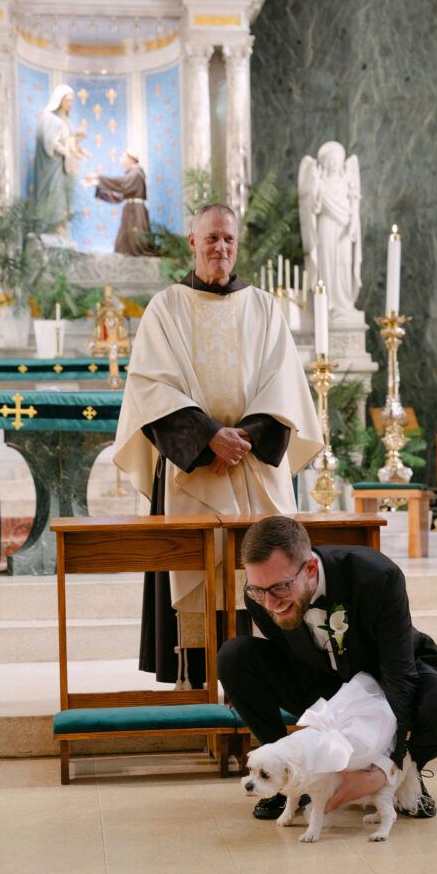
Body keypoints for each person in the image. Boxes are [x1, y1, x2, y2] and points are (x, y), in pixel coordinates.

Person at [112, 204, 323, 687]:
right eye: (211, 239)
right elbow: (151, 389)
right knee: (198, 580)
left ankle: (272, 690)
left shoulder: (265, 307)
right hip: (194, 474)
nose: (221, 248)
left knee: (268, 572)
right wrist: (209, 437)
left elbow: (283, 384)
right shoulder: (166, 307)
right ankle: (201, 692)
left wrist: (242, 438)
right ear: (192, 241)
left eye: (228, 239)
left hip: (254, 468)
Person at [217, 514, 437, 819]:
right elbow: (289, 653)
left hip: (387, 674)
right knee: (234, 656)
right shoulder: (262, 594)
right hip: (324, 679)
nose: (269, 604)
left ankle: (405, 773)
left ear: (310, 568)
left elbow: (399, 673)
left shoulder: (378, 576)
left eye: (279, 589)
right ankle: (285, 779)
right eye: (258, 591)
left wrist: (385, 767)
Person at [298, 141, 362, 322]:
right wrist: (315, 189)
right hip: (325, 226)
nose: (334, 163)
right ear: (325, 163)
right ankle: (328, 303)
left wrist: (353, 223)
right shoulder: (320, 181)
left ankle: (344, 303)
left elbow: (353, 208)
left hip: (342, 230)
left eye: (336, 160)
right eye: (330, 160)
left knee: (343, 263)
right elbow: (314, 207)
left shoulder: (345, 182)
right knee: (327, 264)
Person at [34, 85, 89, 232]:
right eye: (67, 100)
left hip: (66, 167)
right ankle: (52, 233)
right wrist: (64, 151)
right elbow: (48, 141)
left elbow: (71, 141)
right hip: (53, 167)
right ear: (59, 100)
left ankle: (62, 234)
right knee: (55, 199)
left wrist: (76, 151)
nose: (69, 104)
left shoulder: (68, 121)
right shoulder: (48, 118)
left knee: (65, 202)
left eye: (71, 101)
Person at [84, 151, 156, 256]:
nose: (120, 158)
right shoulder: (132, 173)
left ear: (130, 158)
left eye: (122, 156)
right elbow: (119, 195)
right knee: (125, 240)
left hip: (135, 210)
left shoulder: (136, 172)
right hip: (131, 208)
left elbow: (122, 184)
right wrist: (98, 185)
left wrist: (99, 179)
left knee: (135, 239)